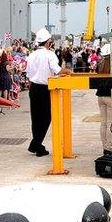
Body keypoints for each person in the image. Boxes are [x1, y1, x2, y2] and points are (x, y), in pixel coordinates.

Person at [26, 28, 70, 156]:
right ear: (47, 42)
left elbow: (28, 74)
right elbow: (57, 70)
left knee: (35, 118)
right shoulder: (50, 54)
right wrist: (67, 71)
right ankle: (36, 144)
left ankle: (37, 144)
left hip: (34, 88)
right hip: (46, 88)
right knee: (47, 117)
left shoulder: (31, 55)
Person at [95, 43, 112, 152]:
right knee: (111, 122)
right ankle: (110, 147)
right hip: (110, 96)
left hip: (100, 96)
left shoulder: (99, 64)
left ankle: (104, 146)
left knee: (103, 123)